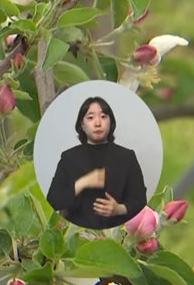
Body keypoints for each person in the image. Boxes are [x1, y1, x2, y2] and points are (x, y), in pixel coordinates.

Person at [46, 96, 147, 229]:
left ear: (111, 122)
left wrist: (119, 209)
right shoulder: (69, 158)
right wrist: (83, 182)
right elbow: (53, 200)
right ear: (82, 125)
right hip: (76, 235)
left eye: (103, 116)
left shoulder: (127, 157)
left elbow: (140, 199)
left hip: (118, 234)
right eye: (90, 118)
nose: (98, 123)